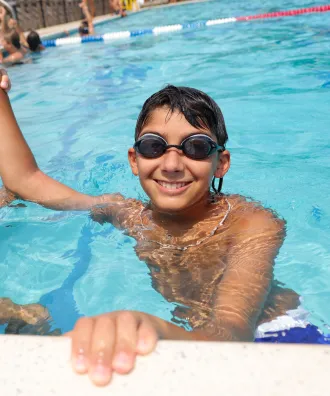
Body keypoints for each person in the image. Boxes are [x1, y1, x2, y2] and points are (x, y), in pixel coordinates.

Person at [0, 70, 299, 386]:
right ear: (134, 159)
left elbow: (233, 331)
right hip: (189, 340)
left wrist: (149, 326)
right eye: (154, 146)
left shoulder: (249, 224)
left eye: (196, 147)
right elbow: (26, 182)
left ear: (221, 163)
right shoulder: (132, 216)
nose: (171, 165)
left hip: (277, 341)